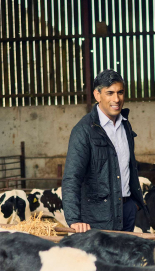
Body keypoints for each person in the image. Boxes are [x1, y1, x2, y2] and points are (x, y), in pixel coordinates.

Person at [62, 70, 146, 232]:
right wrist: (74, 219)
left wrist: (134, 204)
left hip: (127, 210)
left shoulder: (125, 125)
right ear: (97, 95)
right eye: (110, 93)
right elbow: (72, 177)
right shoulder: (84, 130)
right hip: (98, 217)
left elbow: (129, 167)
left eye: (120, 92)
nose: (117, 99)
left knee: (127, 249)